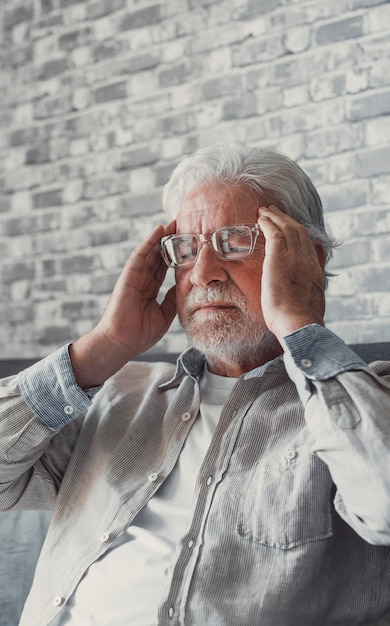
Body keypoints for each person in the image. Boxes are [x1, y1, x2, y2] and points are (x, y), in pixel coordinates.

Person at [0, 143, 390, 626]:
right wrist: (102, 346)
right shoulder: (118, 395)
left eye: (236, 241)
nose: (202, 274)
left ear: (307, 259)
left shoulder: (362, 402)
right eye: (185, 250)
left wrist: (298, 323)